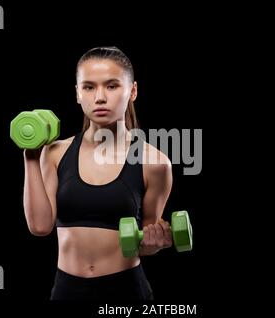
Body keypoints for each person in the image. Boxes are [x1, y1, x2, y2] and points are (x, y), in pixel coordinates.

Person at [22, 46, 173, 300]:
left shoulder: (155, 163)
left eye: (112, 86)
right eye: (89, 87)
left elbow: (145, 241)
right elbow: (40, 226)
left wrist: (153, 244)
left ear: (132, 91)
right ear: (77, 93)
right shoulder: (55, 153)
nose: (100, 97)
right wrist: (31, 157)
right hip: (66, 290)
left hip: (126, 291)